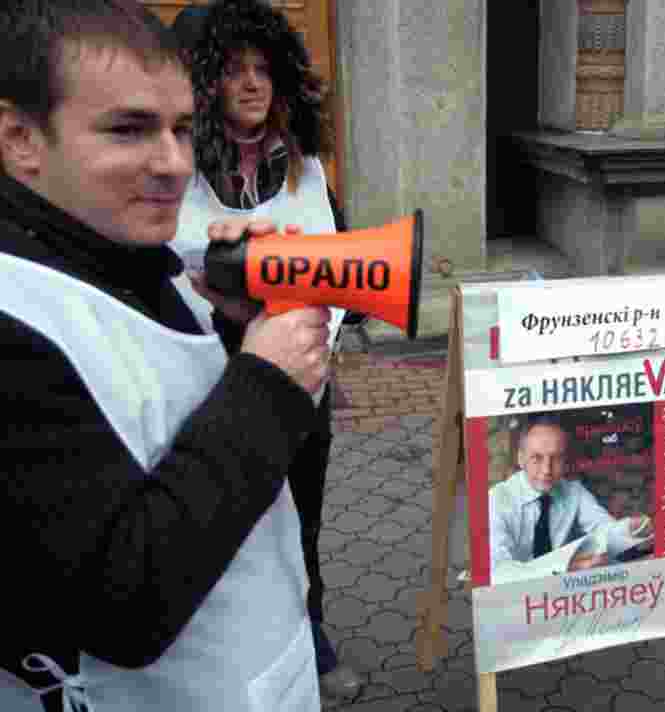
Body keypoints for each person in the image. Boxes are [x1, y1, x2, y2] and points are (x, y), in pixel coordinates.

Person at [0, 1, 331, 710]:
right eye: (129, 129)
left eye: (182, 128)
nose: (176, 164)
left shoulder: (128, 253)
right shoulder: (13, 319)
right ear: (21, 139)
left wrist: (240, 334)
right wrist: (267, 385)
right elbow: (124, 603)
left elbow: (162, 422)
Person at [169, 0, 363, 700]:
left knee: (300, 522)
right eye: (233, 70)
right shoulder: (176, 165)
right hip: (210, 378)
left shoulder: (304, 165)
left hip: (302, 379)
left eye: (262, 69)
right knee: (222, 519)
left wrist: (316, 331)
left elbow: (341, 265)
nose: (252, 84)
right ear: (206, 81)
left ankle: (311, 636)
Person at [489, 415, 649, 579]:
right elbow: (498, 571)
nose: (547, 470)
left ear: (565, 460)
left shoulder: (574, 491)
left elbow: (605, 528)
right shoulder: (496, 499)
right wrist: (568, 568)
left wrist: (632, 527)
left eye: (556, 458)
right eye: (537, 458)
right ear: (521, 459)